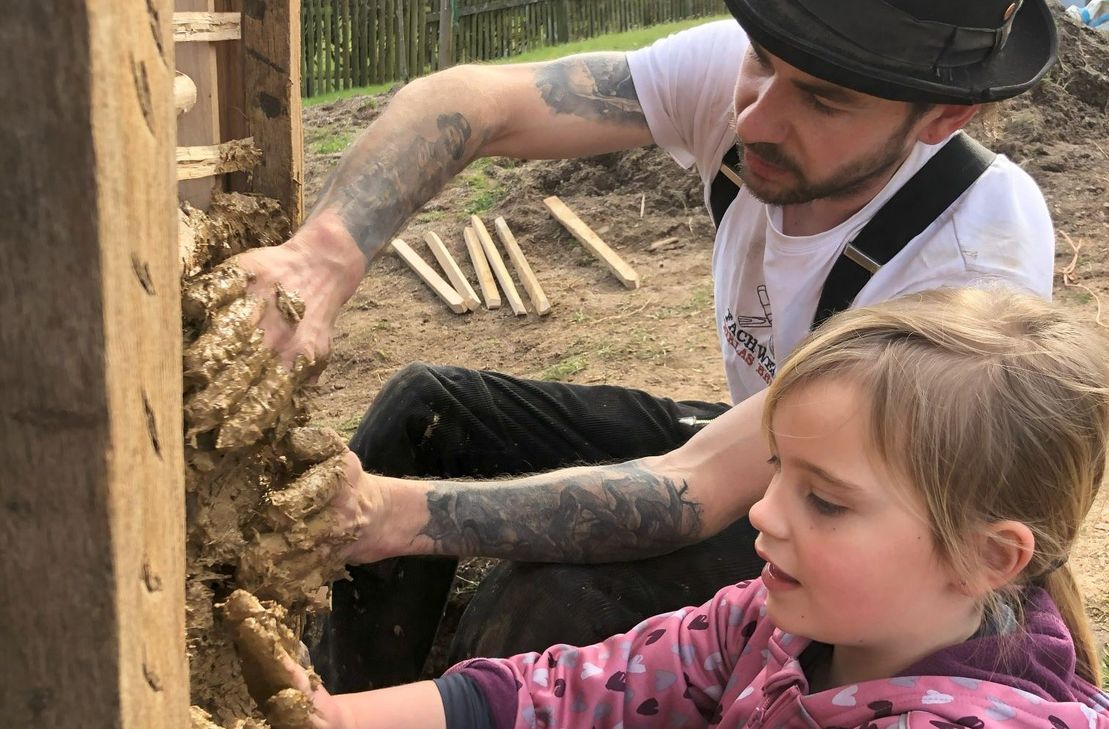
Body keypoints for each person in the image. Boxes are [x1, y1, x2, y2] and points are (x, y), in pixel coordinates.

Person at [228, 0, 1063, 689]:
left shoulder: (964, 263)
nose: (757, 116)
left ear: (943, 117)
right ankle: (352, 701)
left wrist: (383, 513)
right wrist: (324, 255)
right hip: (760, 447)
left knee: (553, 595)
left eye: (823, 101)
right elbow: (471, 98)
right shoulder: (767, 76)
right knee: (430, 411)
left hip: (864, 530)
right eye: (763, 62)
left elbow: (692, 486)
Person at [234, 288, 1109, 729]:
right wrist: (340, 715)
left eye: (825, 501)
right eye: (777, 471)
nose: (761, 514)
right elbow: (565, 690)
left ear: (989, 557)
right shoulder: (776, 622)